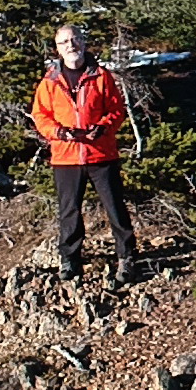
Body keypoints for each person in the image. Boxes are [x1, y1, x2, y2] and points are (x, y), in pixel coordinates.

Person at [34, 22, 142, 280]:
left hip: (101, 155)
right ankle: (69, 260)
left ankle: (126, 257)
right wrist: (59, 133)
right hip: (66, 158)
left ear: (83, 42)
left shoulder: (101, 76)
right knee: (69, 212)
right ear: (57, 49)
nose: (71, 46)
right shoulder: (49, 82)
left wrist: (103, 128)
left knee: (115, 208)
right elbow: (41, 115)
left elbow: (116, 110)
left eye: (75, 40)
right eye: (64, 42)